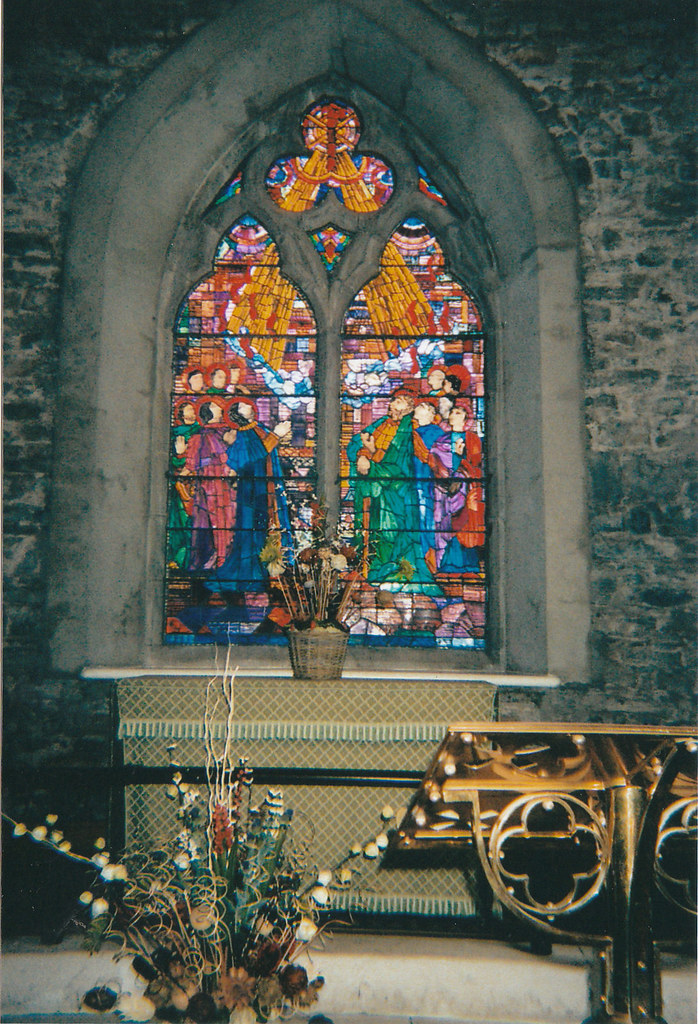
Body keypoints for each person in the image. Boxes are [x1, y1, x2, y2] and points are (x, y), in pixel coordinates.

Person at [346, 388, 436, 585]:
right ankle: (368, 569)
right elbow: (357, 443)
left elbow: (405, 464)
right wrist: (364, 455)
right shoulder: (382, 424)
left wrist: (372, 457)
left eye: (396, 404)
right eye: (392, 402)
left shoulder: (409, 432)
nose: (390, 406)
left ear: (406, 409)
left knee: (391, 533)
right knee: (371, 533)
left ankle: (393, 569)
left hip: (397, 493)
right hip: (375, 490)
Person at [207, 398, 292, 592]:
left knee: (266, 527)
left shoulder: (258, 428)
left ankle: (267, 569)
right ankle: (251, 573)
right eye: (243, 405)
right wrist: (276, 436)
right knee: (251, 529)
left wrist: (278, 436)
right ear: (236, 414)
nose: (249, 406)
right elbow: (248, 458)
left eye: (248, 404)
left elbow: (266, 452)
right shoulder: (241, 436)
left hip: (266, 488)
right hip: (251, 492)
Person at [428, 399, 484, 572]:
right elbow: (434, 462)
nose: (453, 415)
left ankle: (465, 565)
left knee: (464, 523)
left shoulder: (472, 439)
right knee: (443, 523)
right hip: (442, 490)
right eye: (452, 412)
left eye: (458, 413)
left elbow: (475, 463)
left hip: (464, 489)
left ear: (466, 418)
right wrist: (444, 477)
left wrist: (460, 458)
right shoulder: (440, 439)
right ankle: (444, 563)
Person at [181, 400, 237, 571]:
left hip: (226, 486)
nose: (220, 408)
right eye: (215, 406)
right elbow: (190, 464)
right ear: (208, 413)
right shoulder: (199, 437)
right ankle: (218, 561)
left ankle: (228, 561)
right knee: (215, 522)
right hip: (209, 486)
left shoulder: (226, 432)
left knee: (230, 521)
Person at [167, 401, 200, 569]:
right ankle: (178, 559)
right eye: (188, 410)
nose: (192, 412)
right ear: (180, 413)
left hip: (197, 484)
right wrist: (179, 455)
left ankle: (192, 559)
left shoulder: (200, 431)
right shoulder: (173, 433)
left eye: (193, 409)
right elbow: (170, 462)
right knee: (179, 522)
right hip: (179, 486)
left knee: (194, 522)